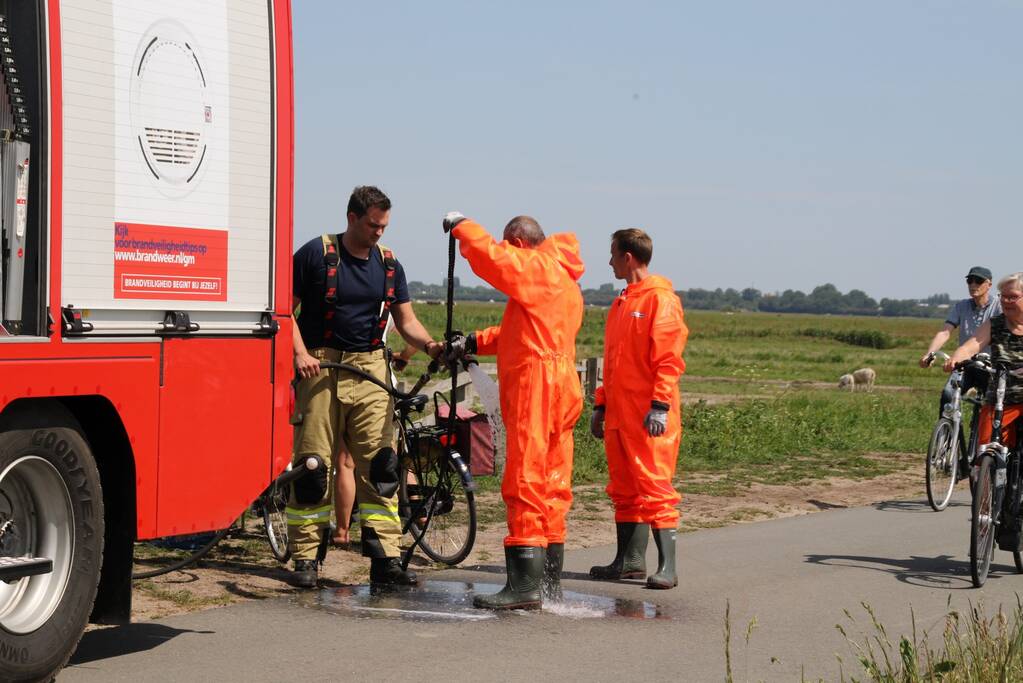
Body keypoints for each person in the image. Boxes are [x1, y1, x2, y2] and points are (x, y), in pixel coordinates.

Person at [287, 185, 443, 588]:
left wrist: (427, 344)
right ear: (352, 218)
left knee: (382, 467)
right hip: (319, 367)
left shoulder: (389, 264)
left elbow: (405, 319)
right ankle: (306, 558)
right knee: (313, 466)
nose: (379, 233)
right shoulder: (314, 255)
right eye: (373, 225)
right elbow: (282, 309)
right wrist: (300, 354)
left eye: (384, 226)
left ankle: (386, 559)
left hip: (371, 369)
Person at [442, 212, 585, 610]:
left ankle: (523, 587)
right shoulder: (564, 280)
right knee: (553, 482)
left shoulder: (537, 266)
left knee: (525, 476)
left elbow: (491, 258)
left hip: (537, 385)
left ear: (520, 244)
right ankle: (547, 583)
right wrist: (473, 340)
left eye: (511, 249)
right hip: (563, 383)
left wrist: (462, 227)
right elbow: (520, 332)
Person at [588, 229, 688, 589]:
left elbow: (668, 360)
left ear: (628, 257)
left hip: (649, 417)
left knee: (655, 486)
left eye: (613, 254)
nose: (610, 261)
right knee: (625, 488)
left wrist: (660, 405)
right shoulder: (622, 303)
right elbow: (613, 364)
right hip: (619, 414)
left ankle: (668, 567)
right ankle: (628, 561)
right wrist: (601, 405)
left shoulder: (660, 300)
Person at [945, 273, 1023, 462]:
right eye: (1003, 296)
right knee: (984, 450)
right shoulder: (996, 323)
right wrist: (956, 358)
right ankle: (985, 486)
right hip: (999, 398)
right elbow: (973, 344)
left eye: (1012, 297)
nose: (1006, 301)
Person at [921, 266, 1001, 420]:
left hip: (990, 366)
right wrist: (929, 353)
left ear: (989, 284)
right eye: (969, 281)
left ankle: (986, 441)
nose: (973, 285)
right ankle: (946, 438)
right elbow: (945, 332)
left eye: (978, 281)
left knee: (992, 406)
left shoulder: (998, 306)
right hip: (965, 363)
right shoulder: (961, 306)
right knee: (948, 394)